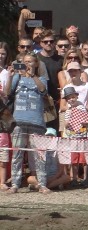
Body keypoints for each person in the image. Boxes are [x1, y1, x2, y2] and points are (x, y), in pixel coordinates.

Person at [5, 52, 49, 193]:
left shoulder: (41, 78)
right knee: (17, 155)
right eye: (25, 62)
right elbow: (7, 94)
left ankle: (42, 184)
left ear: (36, 63)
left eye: (31, 62)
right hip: (18, 121)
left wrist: (33, 75)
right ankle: (15, 184)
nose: (28, 64)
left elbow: (43, 91)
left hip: (37, 122)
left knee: (39, 155)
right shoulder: (17, 77)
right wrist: (11, 76)